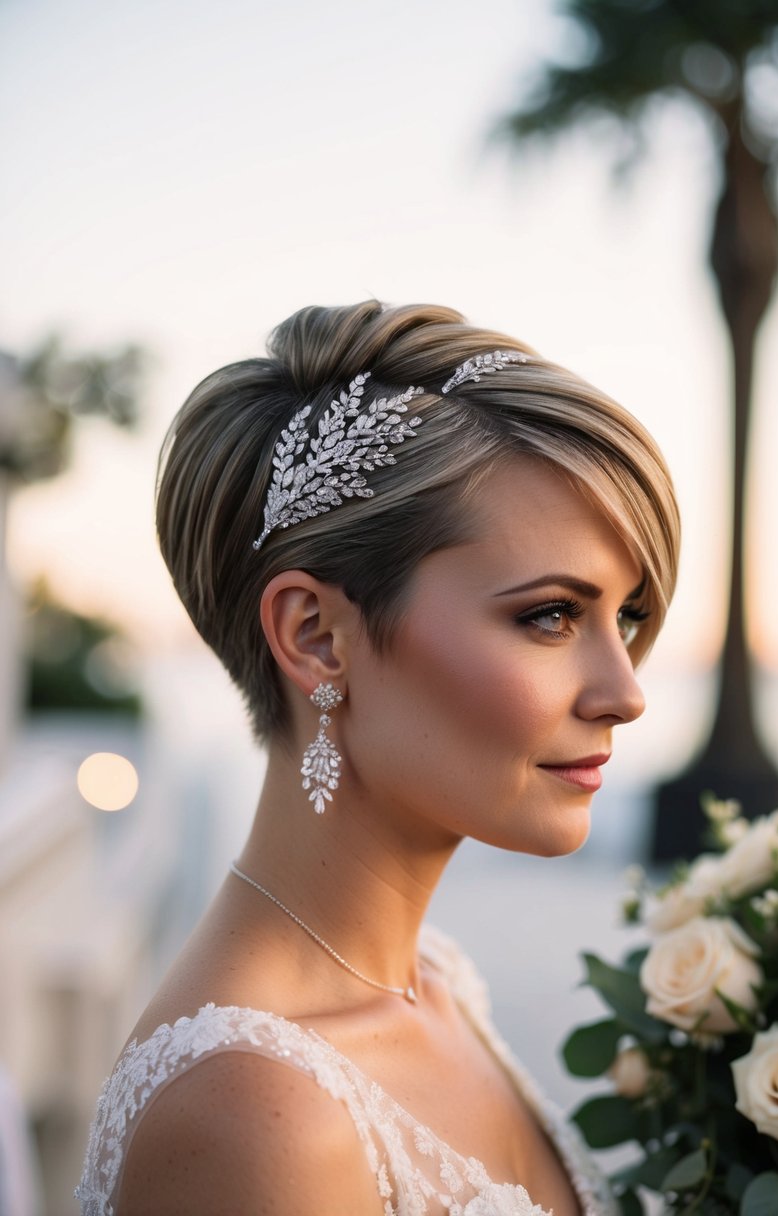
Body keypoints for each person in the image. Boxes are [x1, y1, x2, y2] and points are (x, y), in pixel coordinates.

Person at [76, 301, 679, 1215]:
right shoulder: (257, 1114)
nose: (625, 691)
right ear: (316, 636)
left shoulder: (435, 981)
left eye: (624, 618)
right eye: (549, 615)